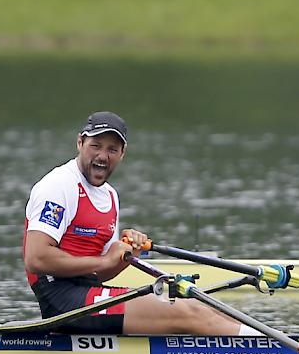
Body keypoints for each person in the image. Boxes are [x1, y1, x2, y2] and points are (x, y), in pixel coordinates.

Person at [23, 111, 258, 335]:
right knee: (188, 312)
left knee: (207, 308)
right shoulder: (58, 185)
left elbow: (101, 272)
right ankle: (276, 350)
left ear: (123, 153)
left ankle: (264, 342)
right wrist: (105, 259)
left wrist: (126, 253)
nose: (103, 156)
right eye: (95, 146)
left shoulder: (110, 196)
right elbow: (37, 258)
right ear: (80, 143)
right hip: (61, 300)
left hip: (87, 292)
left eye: (112, 149)